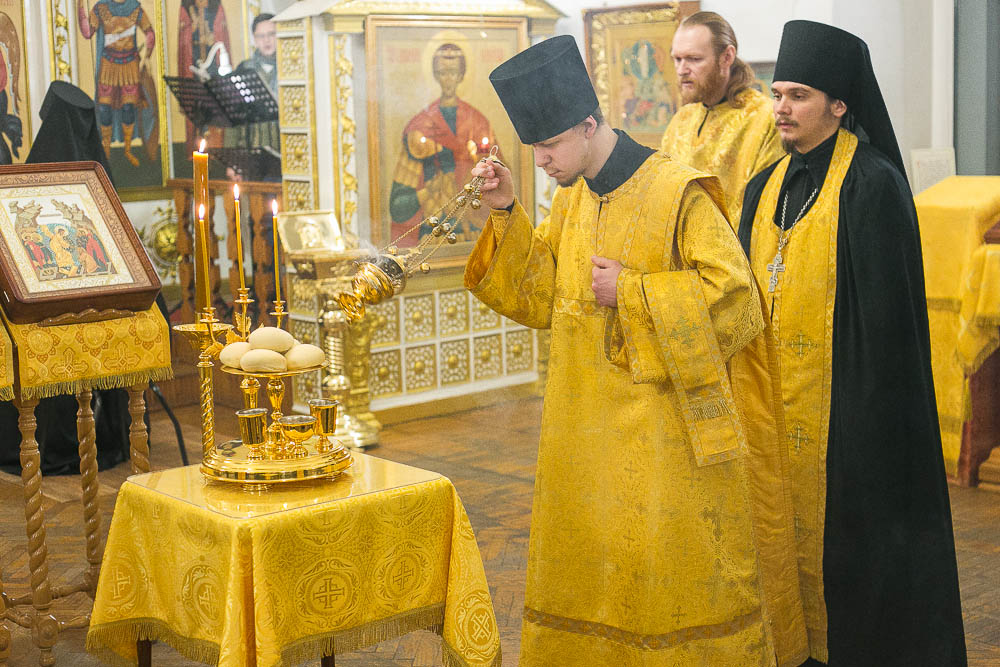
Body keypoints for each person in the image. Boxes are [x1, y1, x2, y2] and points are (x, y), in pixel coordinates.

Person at [467, 35, 806, 666]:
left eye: (549, 145)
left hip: (663, 444)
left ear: (587, 125)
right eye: (534, 149)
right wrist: (506, 208)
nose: (542, 161)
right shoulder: (572, 197)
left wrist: (631, 291)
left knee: (662, 584)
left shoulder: (678, 191)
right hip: (581, 434)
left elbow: (737, 301)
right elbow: (542, 297)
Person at [736, 21, 966, 666]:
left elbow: (889, 328)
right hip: (772, 411)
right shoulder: (763, 186)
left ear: (839, 104)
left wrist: (862, 422)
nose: (782, 108)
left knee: (855, 560)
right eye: (777, 94)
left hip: (850, 417)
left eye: (799, 95)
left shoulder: (873, 184)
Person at [661, 11, 784, 224]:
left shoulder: (765, 118)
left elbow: (766, 210)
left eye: (694, 59)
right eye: (677, 59)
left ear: (727, 57)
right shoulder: (681, 120)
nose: (681, 70)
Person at [388, 43, 500, 245]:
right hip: (433, 236)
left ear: (461, 75)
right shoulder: (419, 127)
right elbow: (398, 207)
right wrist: (428, 191)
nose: (448, 79)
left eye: (453, 73)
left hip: (476, 236)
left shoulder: (478, 123)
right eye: (442, 73)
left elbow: (503, 187)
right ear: (435, 75)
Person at [77, 0, 156, 168]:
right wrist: (80, 8)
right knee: (104, 109)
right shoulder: (101, 8)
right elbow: (87, 32)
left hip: (130, 66)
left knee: (128, 108)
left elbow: (149, 33)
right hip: (108, 65)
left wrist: (147, 56)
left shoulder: (134, 8)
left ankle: (127, 150)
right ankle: (105, 151)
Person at [223, 12, 279, 163]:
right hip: (250, 153)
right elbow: (233, 117)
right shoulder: (244, 69)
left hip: (283, 153)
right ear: (254, 39)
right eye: (261, 36)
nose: (266, 40)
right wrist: (232, 160)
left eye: (271, 34)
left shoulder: (290, 69)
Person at [179, 0, 231, 152]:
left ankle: (216, 148)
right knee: (198, 109)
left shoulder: (215, 6)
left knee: (215, 106)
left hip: (214, 68)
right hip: (194, 67)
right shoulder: (187, 7)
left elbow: (221, 35)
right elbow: (184, 40)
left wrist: (210, 36)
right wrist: (193, 27)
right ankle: (198, 145)